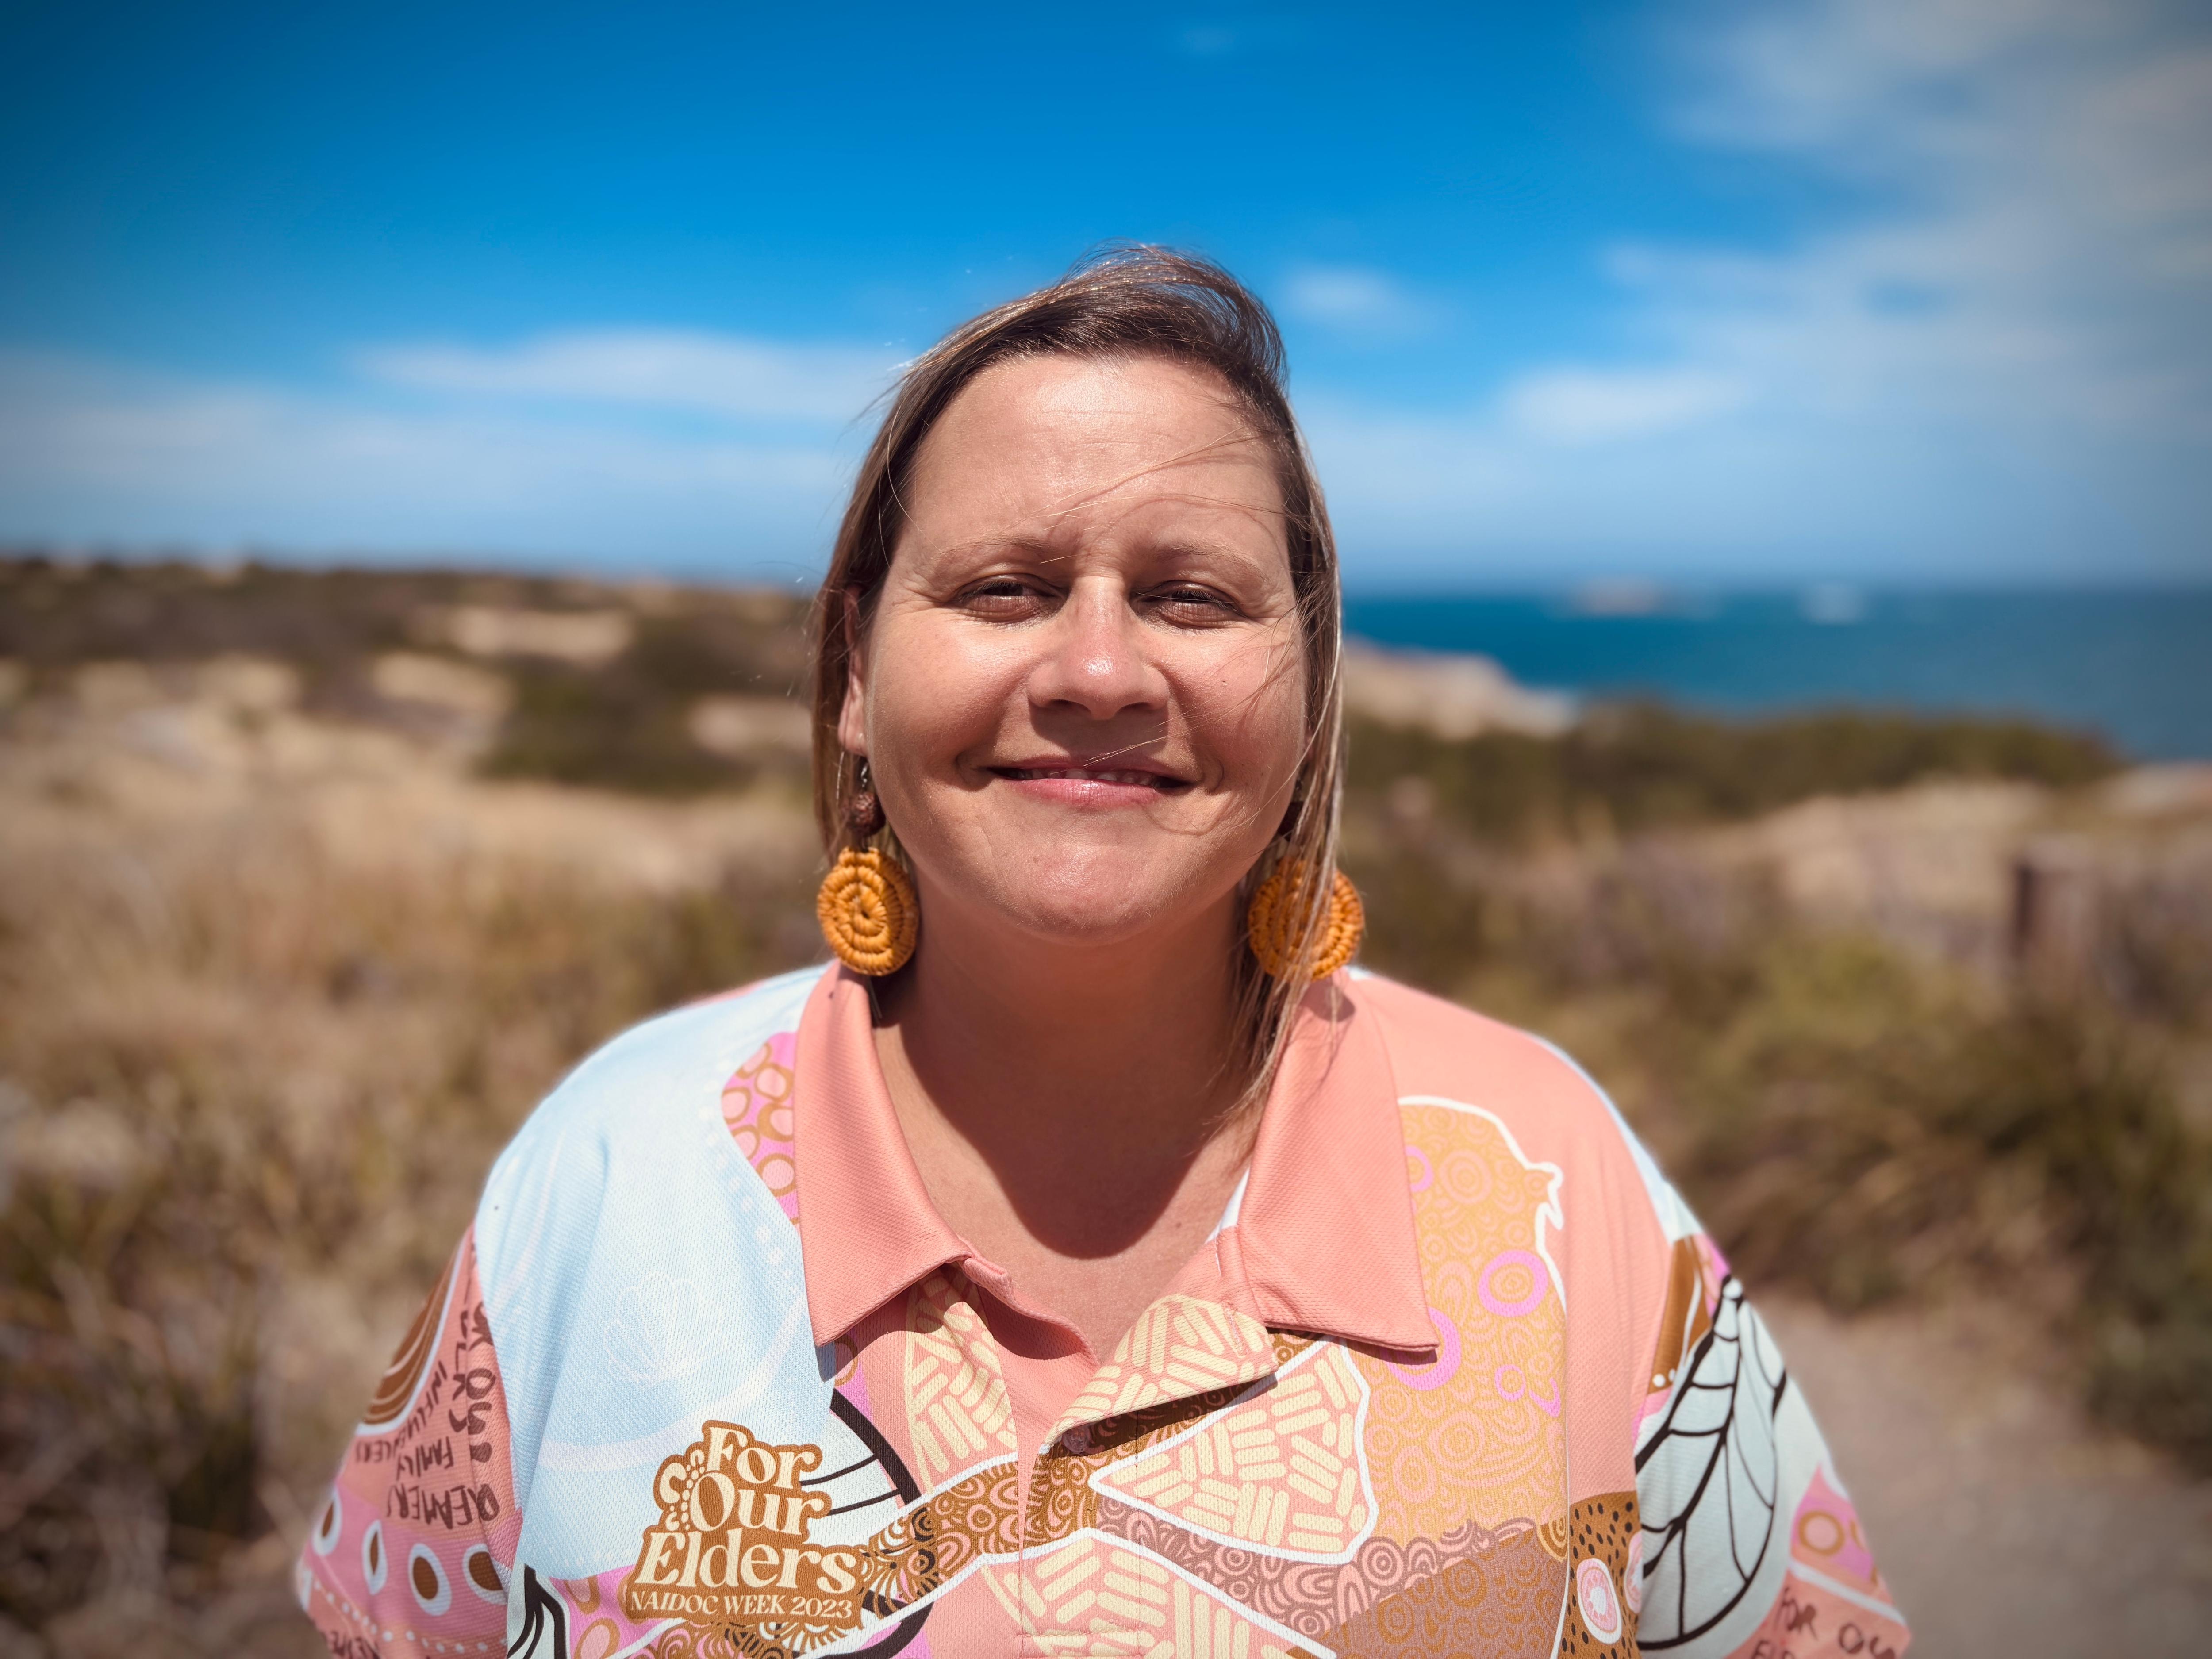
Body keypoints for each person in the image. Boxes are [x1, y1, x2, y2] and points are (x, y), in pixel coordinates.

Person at [296, 249, 1909, 1659]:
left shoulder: (1555, 1171)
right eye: (1004, 588)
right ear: (855, 674)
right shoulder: (606, 1172)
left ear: (1308, 687)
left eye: (1193, 598)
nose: (1096, 667)